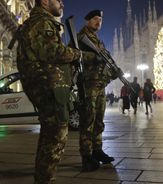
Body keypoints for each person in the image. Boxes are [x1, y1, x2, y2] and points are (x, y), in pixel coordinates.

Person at [15, 0, 99, 182]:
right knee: (55, 136)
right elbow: (52, 51)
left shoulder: (39, 21)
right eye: (58, 0)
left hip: (44, 84)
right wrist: (79, 54)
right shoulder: (42, 22)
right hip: (46, 85)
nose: (62, 3)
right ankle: (45, 178)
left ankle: (44, 177)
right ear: (45, 1)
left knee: (50, 135)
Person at [74, 9, 118, 172]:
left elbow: (106, 60)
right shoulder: (79, 37)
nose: (98, 22)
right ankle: (86, 156)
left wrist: (115, 71)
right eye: (95, 19)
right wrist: (92, 57)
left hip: (100, 86)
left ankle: (97, 150)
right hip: (88, 85)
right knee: (88, 121)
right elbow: (73, 54)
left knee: (99, 121)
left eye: (100, 19)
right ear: (87, 21)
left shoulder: (98, 42)